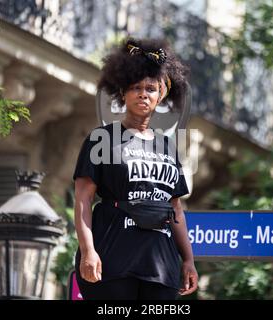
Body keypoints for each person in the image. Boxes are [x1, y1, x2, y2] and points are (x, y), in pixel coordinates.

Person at [72, 37, 198, 300]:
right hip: (113, 262)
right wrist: (87, 250)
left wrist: (188, 260)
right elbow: (83, 198)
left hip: (162, 267)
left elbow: (176, 208)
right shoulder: (102, 139)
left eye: (151, 89)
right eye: (135, 87)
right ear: (123, 93)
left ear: (161, 94)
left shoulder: (167, 147)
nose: (143, 94)